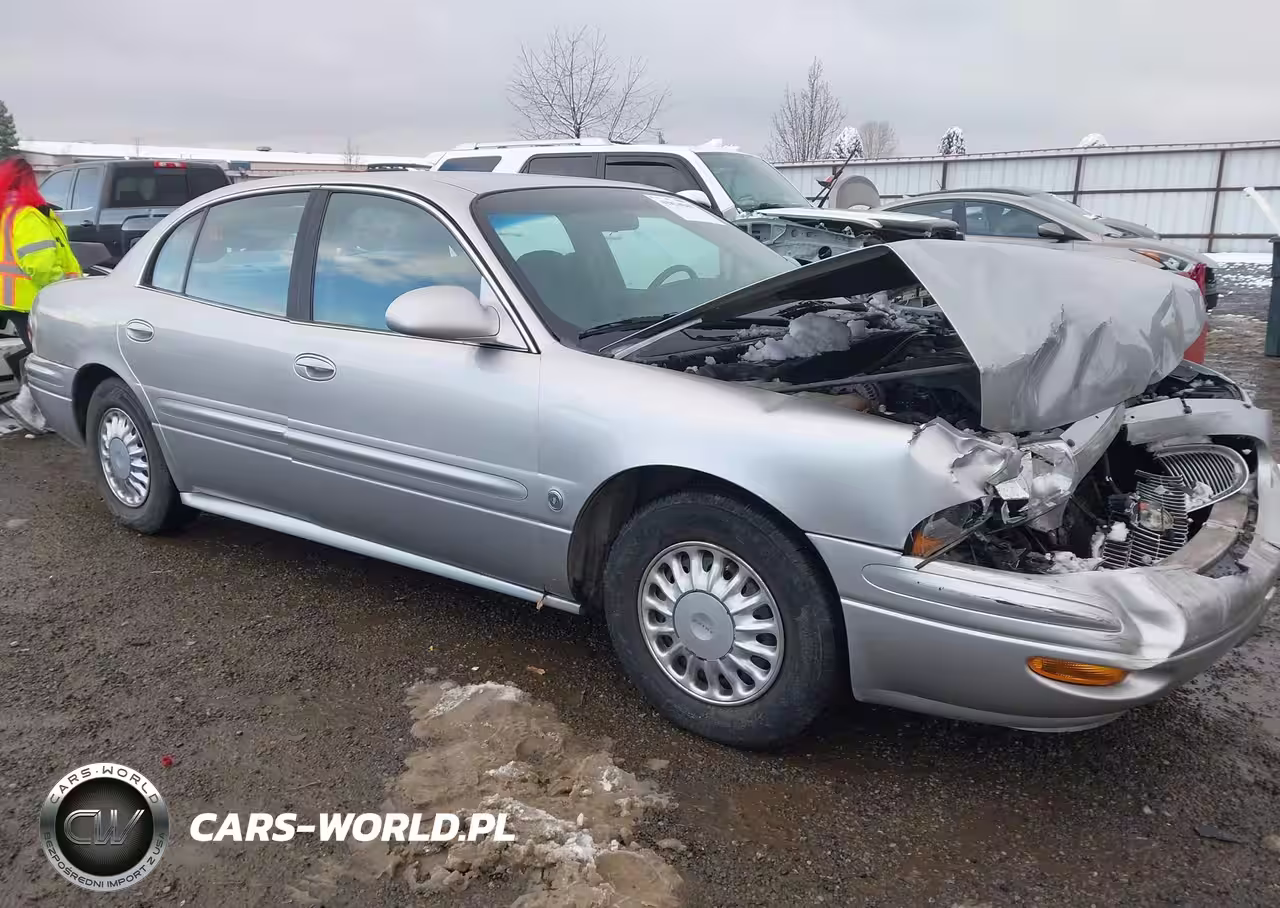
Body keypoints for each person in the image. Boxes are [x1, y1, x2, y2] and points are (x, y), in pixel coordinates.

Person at [0, 156, 82, 433]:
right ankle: (27, 406)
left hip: (8, 298)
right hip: (30, 299)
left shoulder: (5, 211)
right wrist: (63, 289)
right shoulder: (27, 216)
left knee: (35, 352)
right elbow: (41, 264)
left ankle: (30, 407)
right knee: (45, 356)